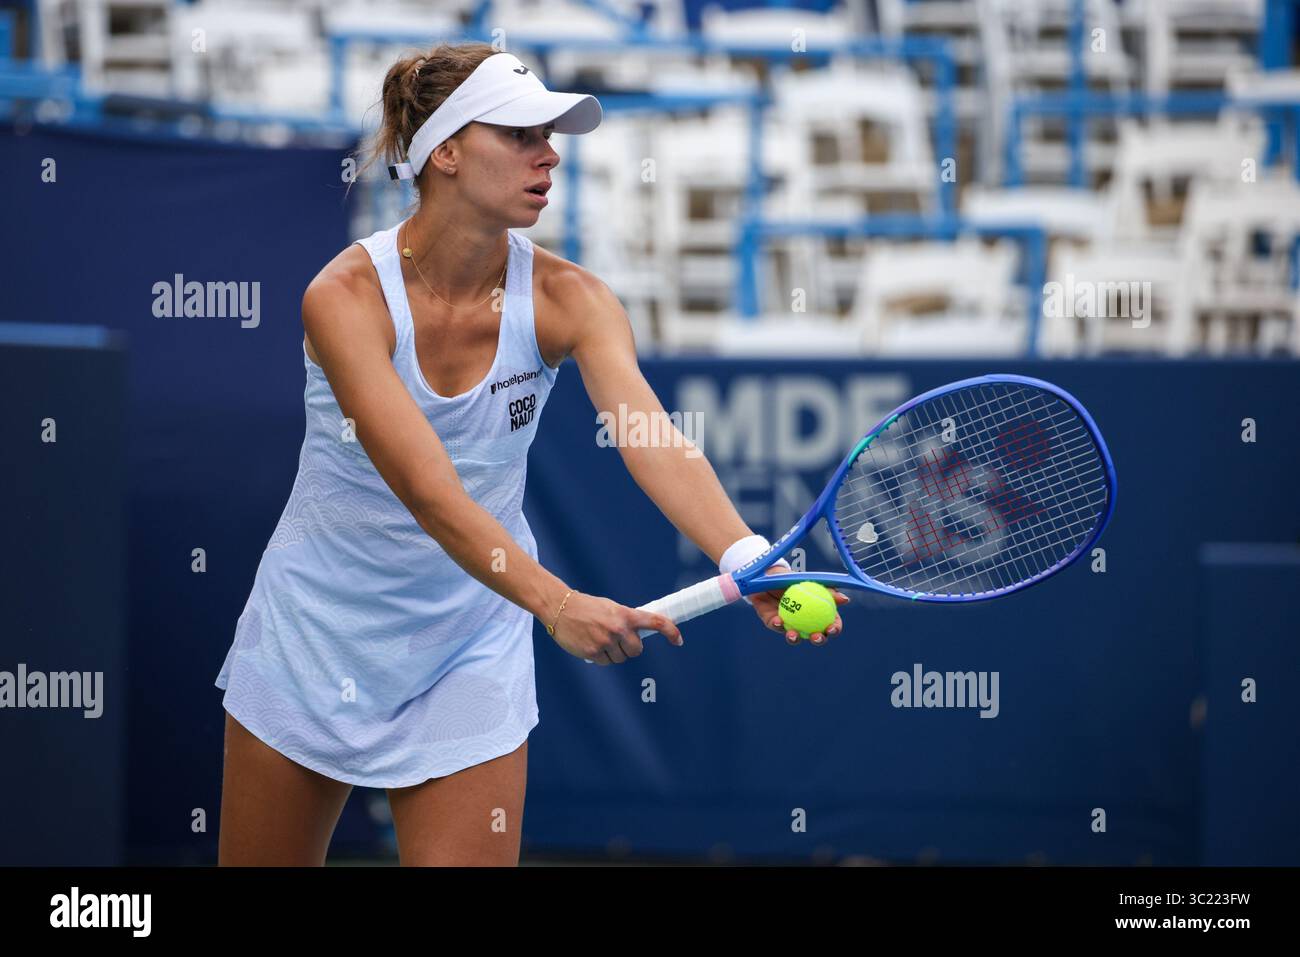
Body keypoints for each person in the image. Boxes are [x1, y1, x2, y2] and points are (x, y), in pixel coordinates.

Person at [214, 42, 848, 867]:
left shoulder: (571, 300)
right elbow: (428, 488)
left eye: (549, 134)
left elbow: (651, 435)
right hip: (313, 634)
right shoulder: (344, 298)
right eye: (518, 133)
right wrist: (555, 603)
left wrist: (747, 552)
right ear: (444, 151)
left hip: (468, 644)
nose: (548, 152)